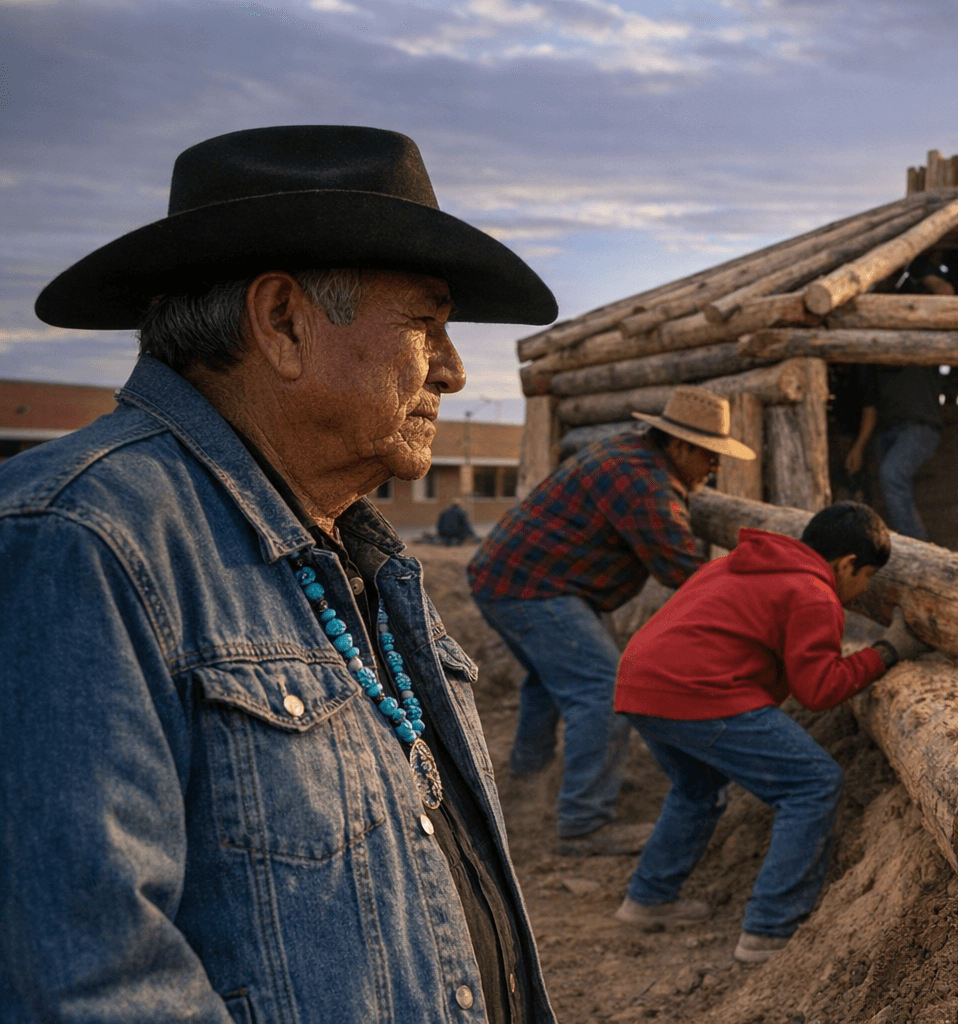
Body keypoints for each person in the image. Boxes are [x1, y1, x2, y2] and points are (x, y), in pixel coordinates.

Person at [1, 126, 560, 1022]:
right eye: (426, 323)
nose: (454, 371)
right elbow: (87, 983)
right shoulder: (79, 541)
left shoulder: (354, 556)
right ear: (285, 322)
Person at [609, 502, 929, 963]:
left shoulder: (735, 565)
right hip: (697, 690)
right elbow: (819, 689)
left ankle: (647, 900)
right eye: (865, 578)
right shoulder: (813, 591)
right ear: (846, 564)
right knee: (813, 783)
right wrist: (888, 651)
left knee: (697, 788)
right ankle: (770, 931)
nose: (860, 593)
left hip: (639, 683)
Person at [468, 385, 755, 856]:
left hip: (514, 579)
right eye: (708, 455)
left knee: (550, 682)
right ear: (679, 445)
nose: (715, 468)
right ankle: (584, 824)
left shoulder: (631, 455)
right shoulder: (646, 483)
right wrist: (754, 608)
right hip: (533, 588)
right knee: (603, 691)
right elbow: (682, 570)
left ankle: (523, 790)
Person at [843, 259, 950, 541]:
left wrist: (924, 273)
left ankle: (918, 547)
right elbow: (870, 408)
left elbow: (947, 294)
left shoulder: (918, 338)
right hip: (887, 431)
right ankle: (897, 546)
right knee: (887, 486)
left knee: (892, 476)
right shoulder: (870, 358)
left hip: (920, 427)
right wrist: (858, 447)